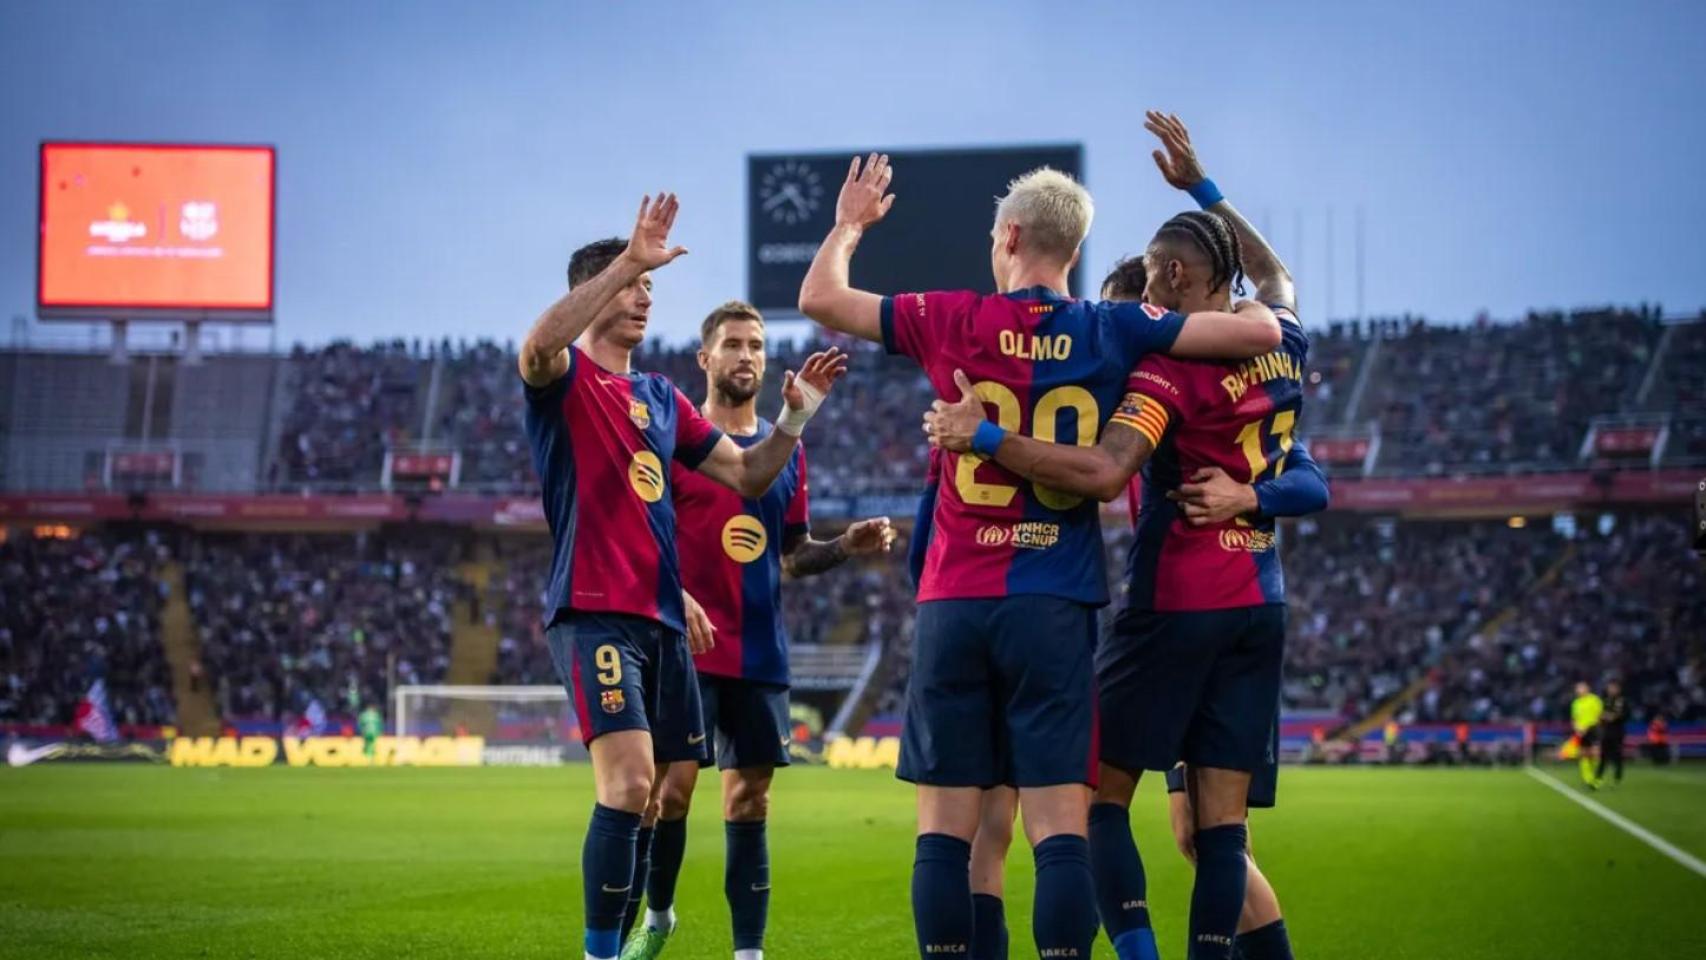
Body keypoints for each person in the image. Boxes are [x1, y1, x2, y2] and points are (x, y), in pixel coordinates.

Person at [799, 148, 1280, 959]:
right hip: (1054, 602)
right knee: (1060, 826)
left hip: (955, 597)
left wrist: (850, 225)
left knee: (945, 834)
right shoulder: (1112, 327)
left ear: (1011, 235)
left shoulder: (948, 317)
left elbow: (819, 297)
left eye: (995, 237)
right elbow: (1263, 326)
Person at [925, 113, 1326, 960]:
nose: (1144, 295)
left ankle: (1137, 953)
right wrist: (1203, 189)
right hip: (1262, 603)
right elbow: (1276, 274)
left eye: (1151, 279)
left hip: (1174, 599)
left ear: (1175, 276)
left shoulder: (1163, 370)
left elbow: (1109, 471)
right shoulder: (1283, 339)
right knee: (1217, 833)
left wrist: (989, 437)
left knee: (1098, 800)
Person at [518, 193, 847, 960]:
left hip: (665, 625)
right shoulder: (563, 382)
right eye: (633, 285)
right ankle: (604, 952)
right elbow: (537, 345)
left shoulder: (661, 399)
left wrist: (797, 420)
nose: (644, 296)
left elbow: (748, 474)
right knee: (632, 787)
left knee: (655, 801)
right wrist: (628, 258)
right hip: (594, 609)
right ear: (593, 292)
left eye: (649, 288)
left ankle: (648, 931)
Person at [622, 301, 896, 960]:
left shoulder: (784, 453)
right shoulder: (675, 440)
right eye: (733, 344)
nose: (746, 355)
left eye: (756, 345)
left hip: (759, 651)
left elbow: (792, 555)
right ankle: (658, 918)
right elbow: (636, 538)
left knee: (749, 801)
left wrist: (846, 545)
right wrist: (674, 595)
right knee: (671, 794)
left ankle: (749, 953)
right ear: (705, 358)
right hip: (684, 648)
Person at [1570, 681, 1604, 789]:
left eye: (1581, 688)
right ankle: (1587, 778)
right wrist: (1577, 728)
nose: (1579, 690)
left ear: (1587, 689)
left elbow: (1599, 716)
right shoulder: (1576, 703)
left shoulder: (1594, 700)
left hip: (1593, 729)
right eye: (1577, 688)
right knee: (1583, 754)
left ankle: (1597, 778)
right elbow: (1574, 719)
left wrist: (1589, 727)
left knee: (1595, 753)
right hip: (1581, 731)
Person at [1597, 679, 1628, 786]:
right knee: (1603, 755)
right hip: (1606, 731)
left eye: (1613, 687)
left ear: (1618, 689)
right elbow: (1601, 715)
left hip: (1617, 732)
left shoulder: (1621, 701)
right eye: (1609, 687)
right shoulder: (1605, 700)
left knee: (1617, 755)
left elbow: (1620, 716)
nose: (1611, 689)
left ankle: (1617, 777)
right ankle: (1598, 777)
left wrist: (1609, 716)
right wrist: (1605, 716)